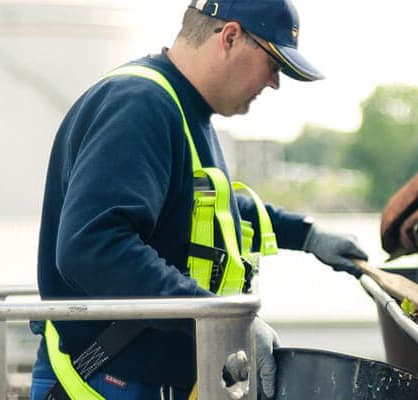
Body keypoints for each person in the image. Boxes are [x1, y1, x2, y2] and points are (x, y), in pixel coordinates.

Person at [30, 1, 368, 399]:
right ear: (229, 37)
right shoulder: (139, 104)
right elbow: (93, 247)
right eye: (274, 65)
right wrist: (221, 322)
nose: (275, 83)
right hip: (104, 379)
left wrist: (306, 235)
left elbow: (200, 212)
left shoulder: (182, 109)